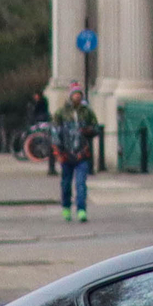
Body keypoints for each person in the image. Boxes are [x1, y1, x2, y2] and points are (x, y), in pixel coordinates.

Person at [52, 87, 99, 222]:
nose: (77, 97)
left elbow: (96, 128)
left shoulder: (87, 112)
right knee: (66, 184)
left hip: (82, 153)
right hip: (66, 154)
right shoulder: (62, 112)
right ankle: (66, 207)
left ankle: (81, 209)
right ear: (71, 96)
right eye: (75, 94)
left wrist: (89, 130)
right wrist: (58, 151)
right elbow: (55, 132)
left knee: (81, 183)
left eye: (79, 94)